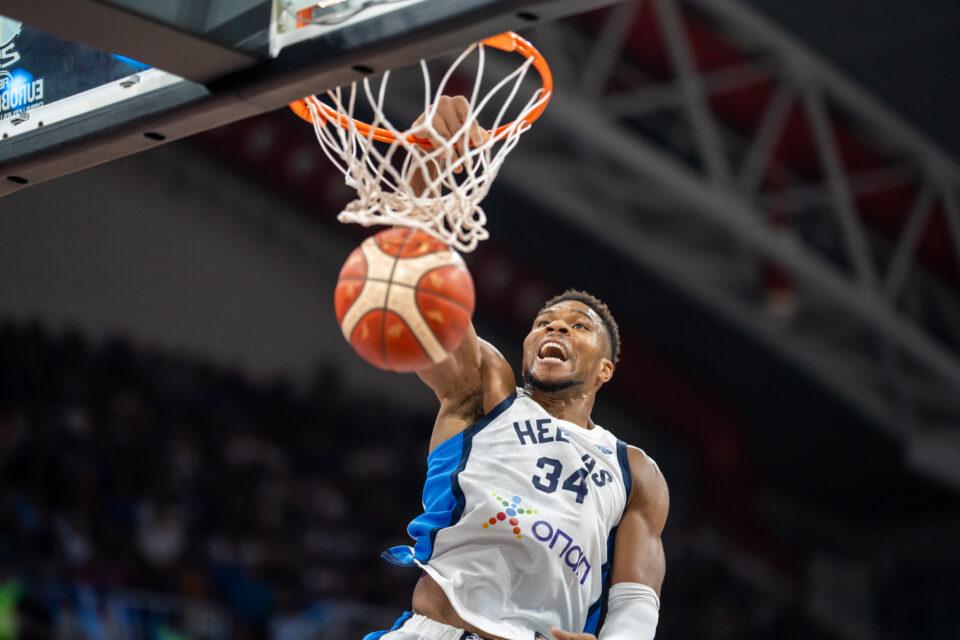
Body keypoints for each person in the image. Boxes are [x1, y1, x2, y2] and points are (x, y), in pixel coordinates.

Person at [365, 97, 669, 640]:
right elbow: (419, 300)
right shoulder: (486, 390)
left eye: (578, 326)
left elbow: (637, 601)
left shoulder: (635, 471)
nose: (556, 329)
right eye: (544, 322)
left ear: (605, 369)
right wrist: (424, 170)